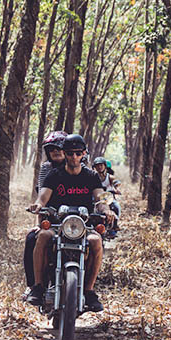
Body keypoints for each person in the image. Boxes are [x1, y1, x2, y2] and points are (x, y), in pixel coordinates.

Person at [27, 134, 115, 312]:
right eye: (69, 153)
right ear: (64, 154)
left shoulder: (91, 176)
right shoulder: (54, 175)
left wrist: (106, 209)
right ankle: (38, 287)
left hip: (84, 225)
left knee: (96, 241)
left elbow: (100, 197)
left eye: (78, 153)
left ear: (84, 154)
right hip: (57, 225)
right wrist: (38, 205)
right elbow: (43, 197)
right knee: (42, 236)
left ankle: (89, 291)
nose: (74, 157)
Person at [24, 131, 68, 293]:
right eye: (51, 149)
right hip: (52, 217)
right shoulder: (46, 169)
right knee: (31, 238)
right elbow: (42, 197)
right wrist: (40, 223)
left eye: (59, 147)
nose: (55, 151)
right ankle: (33, 286)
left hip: (75, 219)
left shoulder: (80, 168)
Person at [92, 157, 121, 235]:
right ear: (94, 167)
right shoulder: (92, 176)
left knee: (116, 206)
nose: (99, 167)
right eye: (97, 165)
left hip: (108, 198)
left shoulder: (110, 177)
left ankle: (114, 225)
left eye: (101, 165)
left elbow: (115, 183)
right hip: (97, 198)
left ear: (105, 166)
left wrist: (115, 189)